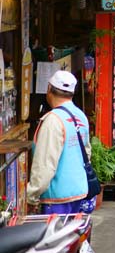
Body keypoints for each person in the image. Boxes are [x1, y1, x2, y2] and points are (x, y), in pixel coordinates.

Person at [27, 71, 95, 215]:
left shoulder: (52, 120)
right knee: (75, 236)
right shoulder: (80, 116)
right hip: (80, 191)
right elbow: (87, 152)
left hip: (57, 198)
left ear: (49, 90)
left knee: (56, 237)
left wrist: (31, 195)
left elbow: (45, 165)